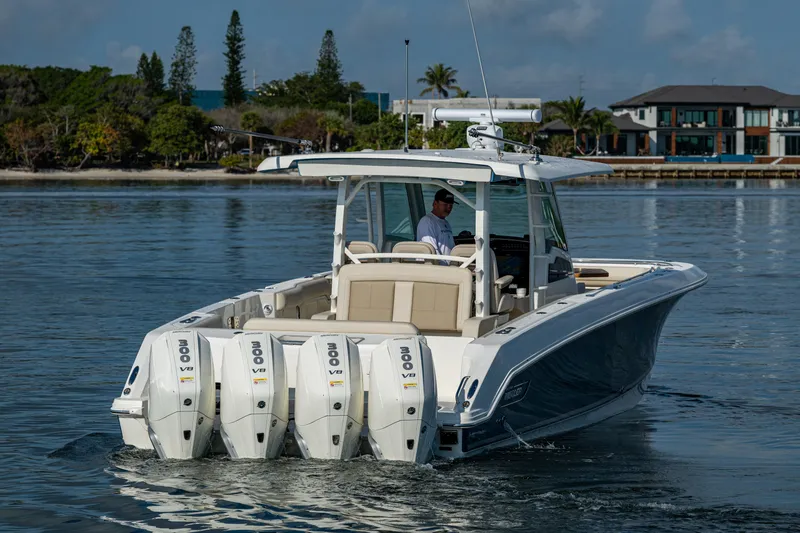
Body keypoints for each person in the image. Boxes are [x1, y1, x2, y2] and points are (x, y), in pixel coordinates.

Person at [416, 189, 456, 257]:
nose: (449, 208)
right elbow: (431, 251)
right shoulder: (427, 222)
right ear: (435, 204)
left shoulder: (446, 223)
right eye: (445, 204)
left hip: (449, 263)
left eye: (451, 205)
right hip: (434, 263)